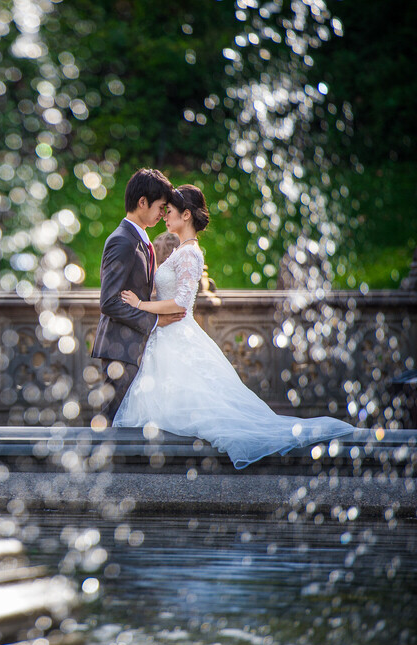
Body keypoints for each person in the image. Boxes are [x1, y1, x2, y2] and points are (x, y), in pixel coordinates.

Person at [114, 185, 356, 468]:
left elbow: (180, 303)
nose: (165, 217)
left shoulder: (190, 254)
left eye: (170, 212)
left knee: (197, 412)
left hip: (177, 333)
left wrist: (140, 305)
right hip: (167, 335)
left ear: (187, 215)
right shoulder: (181, 251)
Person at [91, 168, 185, 426]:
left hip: (135, 346)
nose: (163, 214)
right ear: (142, 202)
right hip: (120, 348)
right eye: (161, 207)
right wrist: (155, 322)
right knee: (112, 422)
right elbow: (109, 302)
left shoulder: (140, 240)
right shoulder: (122, 241)